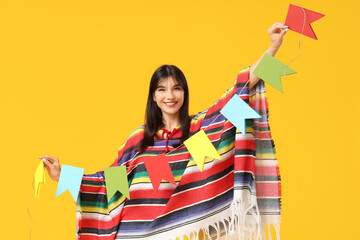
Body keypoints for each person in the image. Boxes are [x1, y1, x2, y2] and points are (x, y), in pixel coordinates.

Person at [39, 22, 288, 240]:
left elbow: (240, 88)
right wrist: (63, 175)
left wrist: (273, 47)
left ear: (184, 93)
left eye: (176, 88)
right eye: (162, 90)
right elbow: (108, 186)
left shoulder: (201, 126)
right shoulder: (138, 139)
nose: (170, 96)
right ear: (154, 97)